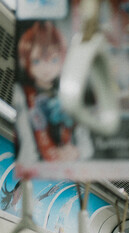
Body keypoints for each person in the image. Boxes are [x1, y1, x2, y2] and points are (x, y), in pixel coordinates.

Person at [17, 21, 80, 162]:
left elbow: (80, 138)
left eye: (53, 60)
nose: (46, 68)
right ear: (26, 62)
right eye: (37, 61)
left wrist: (75, 152)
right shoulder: (23, 95)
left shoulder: (65, 98)